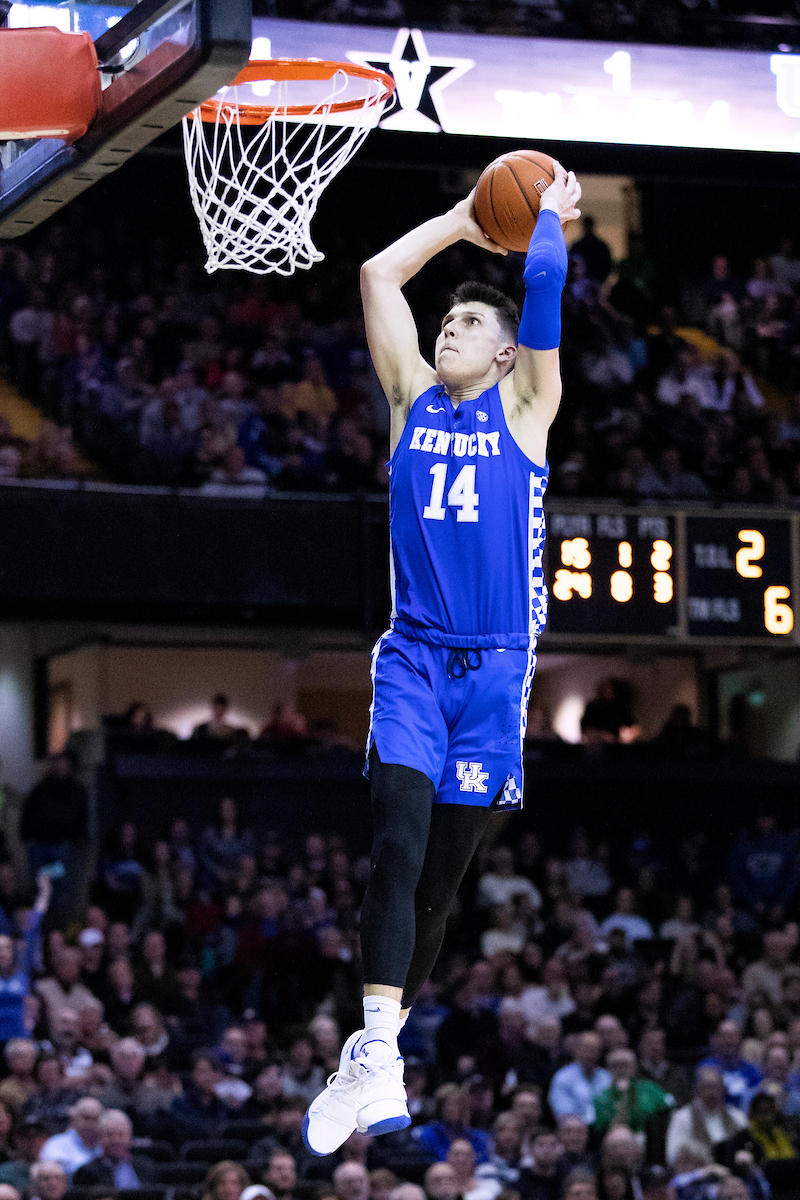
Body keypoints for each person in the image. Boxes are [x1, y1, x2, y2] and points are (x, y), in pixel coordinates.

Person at [303, 163, 581, 1154]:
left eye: (469, 325)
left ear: (508, 356)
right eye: (447, 323)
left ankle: (366, 1055)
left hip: (497, 676)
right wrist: (466, 219)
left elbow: (542, 287)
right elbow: (381, 273)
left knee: (442, 879)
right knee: (396, 844)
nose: (449, 330)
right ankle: (377, 1051)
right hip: (414, 661)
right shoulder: (407, 398)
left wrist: (545, 214)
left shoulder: (525, 412)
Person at [665, 1067, 747, 1164]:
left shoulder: (737, 1117)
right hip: (697, 1173)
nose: (711, 1093)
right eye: (706, 1087)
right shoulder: (682, 1118)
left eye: (715, 1087)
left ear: (723, 1089)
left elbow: (747, 1149)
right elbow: (672, 1156)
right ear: (697, 1089)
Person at [72, 1108, 160, 1189]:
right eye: (109, 1135)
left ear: (130, 1137)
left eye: (121, 1135)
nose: (115, 1140)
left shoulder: (146, 1166)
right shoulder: (86, 1172)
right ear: (99, 1138)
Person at [548, 1032, 611, 1123]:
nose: (590, 1055)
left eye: (594, 1050)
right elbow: (563, 1112)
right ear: (576, 1050)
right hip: (575, 1127)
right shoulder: (563, 1077)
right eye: (586, 1049)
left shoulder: (606, 1077)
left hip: (603, 1126)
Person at [38, 1097, 103, 1177]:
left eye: (95, 1119)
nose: (90, 1124)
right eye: (86, 1118)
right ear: (74, 1118)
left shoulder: (108, 1146)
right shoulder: (56, 1144)